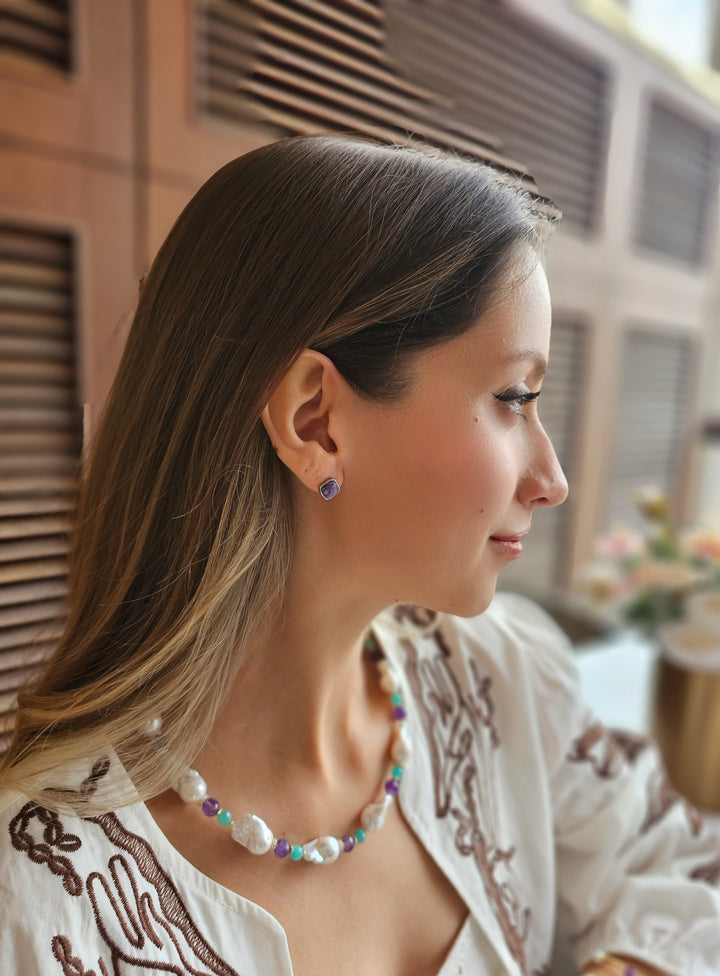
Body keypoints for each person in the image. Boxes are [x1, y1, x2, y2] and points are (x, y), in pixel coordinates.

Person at [0, 134, 718, 976]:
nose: (551, 478)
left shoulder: (499, 681)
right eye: (514, 396)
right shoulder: (44, 903)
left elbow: (679, 863)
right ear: (317, 422)